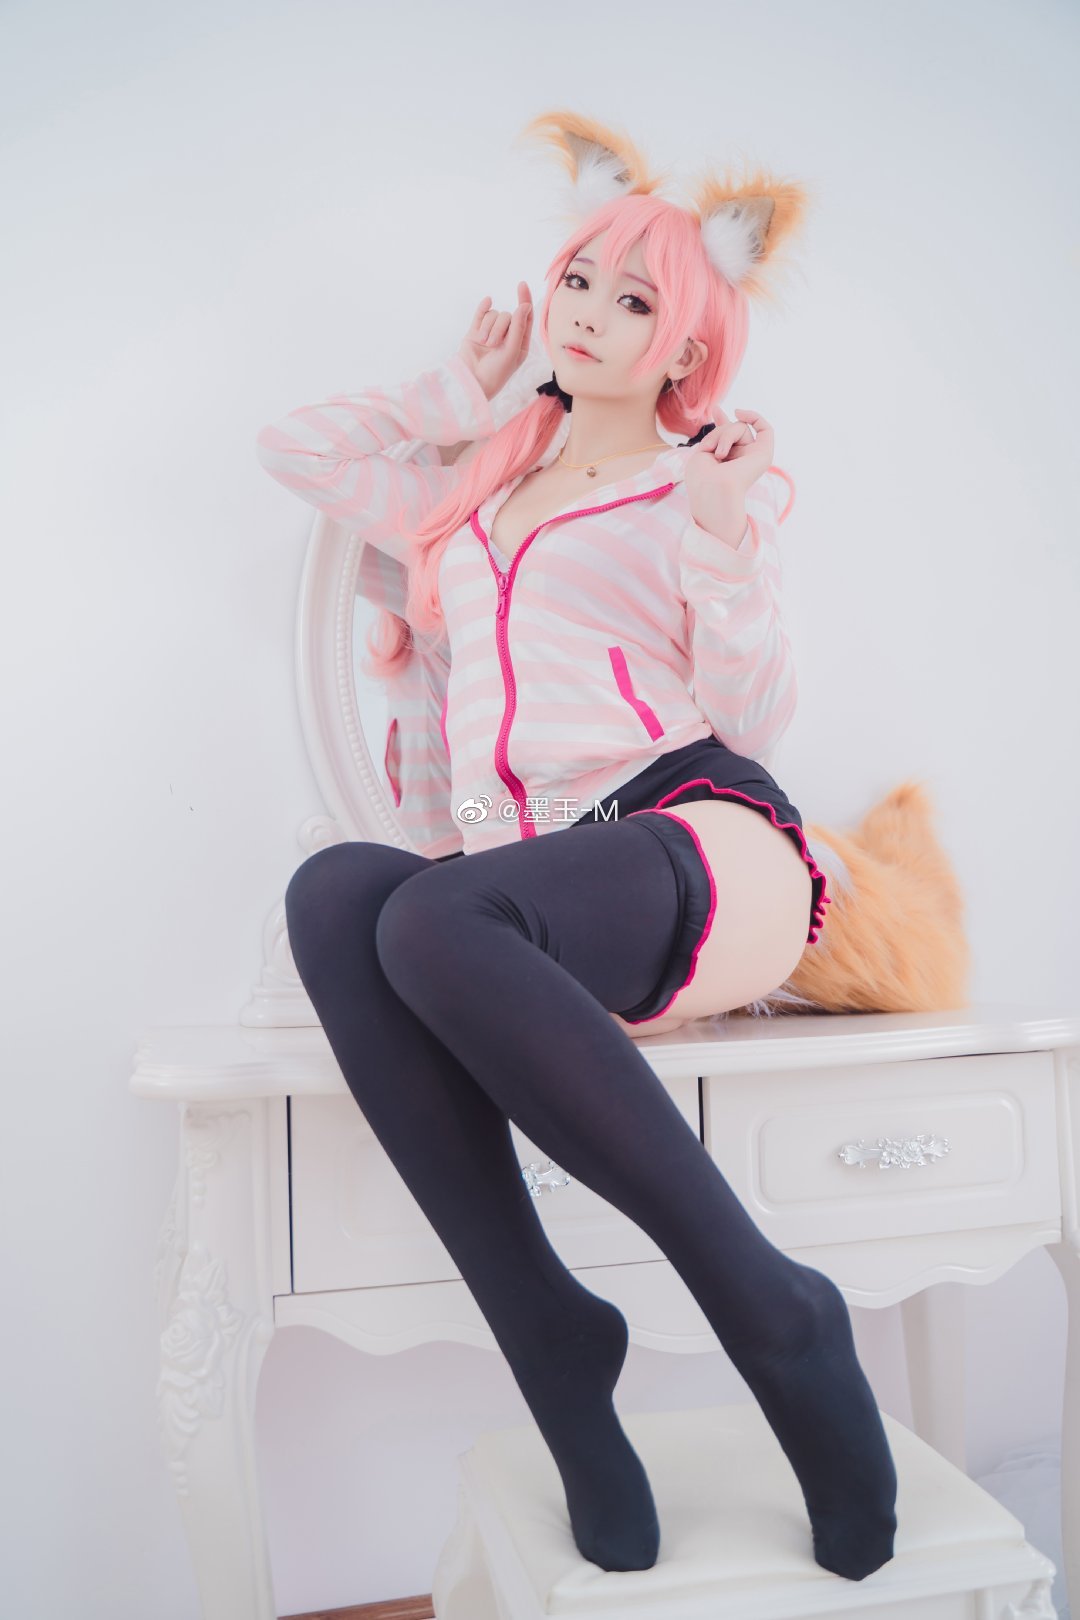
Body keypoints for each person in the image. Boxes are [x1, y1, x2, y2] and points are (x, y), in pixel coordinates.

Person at [254, 111, 896, 1581]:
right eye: (579, 281)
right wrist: (454, 393)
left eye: (634, 298)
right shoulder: (468, 502)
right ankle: (549, 1335)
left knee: (433, 918)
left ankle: (772, 1307)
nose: (590, 312)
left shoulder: (689, 493)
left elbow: (757, 713)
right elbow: (292, 449)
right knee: (343, 892)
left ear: (686, 348)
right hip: (541, 883)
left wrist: (723, 531)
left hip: (704, 834)